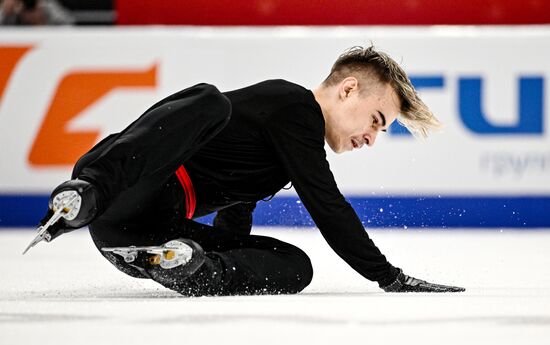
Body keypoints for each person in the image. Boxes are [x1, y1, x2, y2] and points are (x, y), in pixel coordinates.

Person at [34, 46, 465, 295]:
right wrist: (388, 277)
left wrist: (231, 252)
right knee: (209, 99)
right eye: (375, 120)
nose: (372, 138)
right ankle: (84, 194)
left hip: (137, 235)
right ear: (349, 89)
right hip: (122, 184)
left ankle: (191, 268)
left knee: (295, 265)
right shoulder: (294, 105)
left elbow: (236, 206)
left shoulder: (291, 144)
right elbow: (326, 203)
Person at [0, 0, 74, 26]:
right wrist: (5, 12)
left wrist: (44, 20)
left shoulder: (46, 5)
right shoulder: (13, 9)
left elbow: (69, 23)